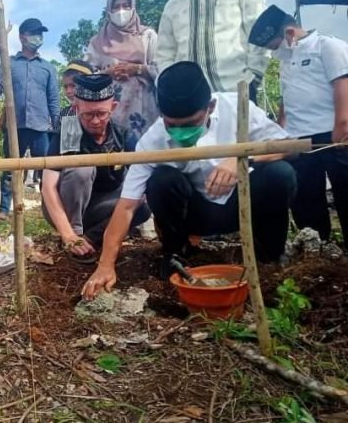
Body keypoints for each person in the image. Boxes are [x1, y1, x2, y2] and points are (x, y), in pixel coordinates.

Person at [82, 61, 297, 298]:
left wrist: (242, 160)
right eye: (172, 125)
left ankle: (269, 256)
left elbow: (288, 147)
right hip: (196, 214)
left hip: (241, 205)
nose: (181, 132)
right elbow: (126, 207)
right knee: (161, 180)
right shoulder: (152, 141)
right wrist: (105, 266)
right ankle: (176, 252)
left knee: (280, 175)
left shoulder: (237, 108)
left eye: (190, 124)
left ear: (211, 107)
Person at [249, 5, 348, 244]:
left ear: (289, 33)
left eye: (274, 46)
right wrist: (280, 134)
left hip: (333, 135)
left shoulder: (328, 46)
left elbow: (342, 85)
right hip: (300, 140)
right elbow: (288, 99)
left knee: (346, 193)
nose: (274, 52)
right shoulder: (287, 61)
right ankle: (317, 250)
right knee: (306, 201)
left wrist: (342, 125)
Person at [42, 73, 149, 263]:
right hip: (68, 209)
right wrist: (68, 234)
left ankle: (91, 239)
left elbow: (142, 179)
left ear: (113, 108)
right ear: (76, 109)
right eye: (88, 115)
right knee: (82, 168)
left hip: (104, 208)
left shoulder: (122, 135)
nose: (95, 121)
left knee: (143, 204)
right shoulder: (68, 134)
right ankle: (75, 237)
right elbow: (48, 187)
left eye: (101, 113)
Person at [0, 18, 59, 219]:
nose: (38, 37)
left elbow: (53, 98)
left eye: (41, 34)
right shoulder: (9, 64)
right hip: (15, 126)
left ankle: (48, 209)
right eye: (34, 33)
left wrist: (56, 123)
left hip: (41, 128)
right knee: (10, 168)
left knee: (46, 169)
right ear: (22, 36)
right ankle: (4, 209)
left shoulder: (47, 67)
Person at [84, 0, 159, 138]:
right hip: (107, 112)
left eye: (126, 6)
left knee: (144, 153)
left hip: (143, 109)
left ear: (133, 8)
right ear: (108, 11)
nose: (121, 11)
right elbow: (84, 77)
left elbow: (161, 70)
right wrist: (107, 74)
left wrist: (137, 69)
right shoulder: (97, 42)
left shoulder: (147, 36)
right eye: (116, 7)